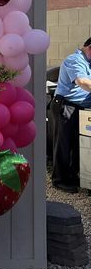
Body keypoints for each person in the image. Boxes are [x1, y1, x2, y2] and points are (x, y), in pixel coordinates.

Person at [49, 37, 91, 192]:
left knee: (76, 145)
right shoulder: (75, 60)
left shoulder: (88, 62)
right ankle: (59, 180)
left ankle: (73, 177)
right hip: (66, 106)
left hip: (80, 107)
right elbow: (83, 82)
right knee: (64, 144)